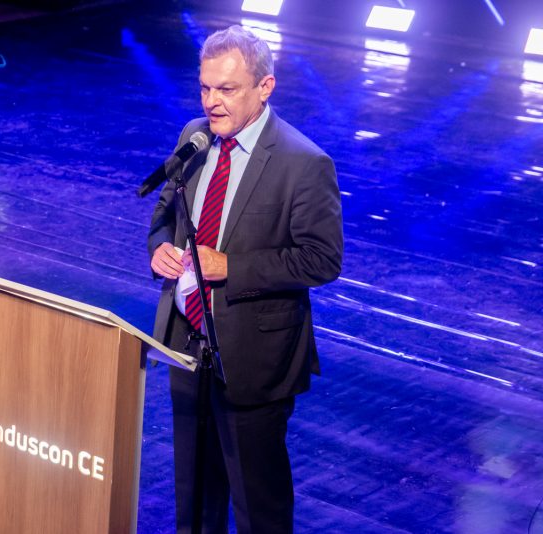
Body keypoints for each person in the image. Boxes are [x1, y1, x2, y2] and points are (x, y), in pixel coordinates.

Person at [147, 25, 343, 534]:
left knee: (258, 506)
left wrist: (229, 267)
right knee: (195, 498)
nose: (212, 102)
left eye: (227, 89)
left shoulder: (304, 163)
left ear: (265, 87)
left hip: (254, 358)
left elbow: (322, 260)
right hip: (185, 343)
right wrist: (160, 250)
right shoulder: (195, 137)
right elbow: (166, 214)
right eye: (205, 87)